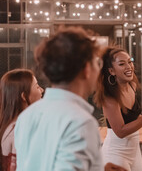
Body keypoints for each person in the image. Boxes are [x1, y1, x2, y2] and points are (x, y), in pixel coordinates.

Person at [15, 27, 103, 171]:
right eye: (97, 63)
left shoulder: (27, 115)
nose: (98, 70)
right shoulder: (80, 122)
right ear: (86, 69)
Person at [94, 47, 142, 171]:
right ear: (112, 71)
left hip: (134, 152)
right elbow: (120, 131)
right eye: (122, 64)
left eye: (130, 62)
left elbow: (131, 115)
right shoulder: (110, 98)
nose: (129, 67)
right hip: (115, 153)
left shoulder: (132, 86)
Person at [0, 69, 43, 171]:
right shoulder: (19, 130)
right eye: (37, 86)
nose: (42, 90)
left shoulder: (9, 126)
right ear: (24, 96)